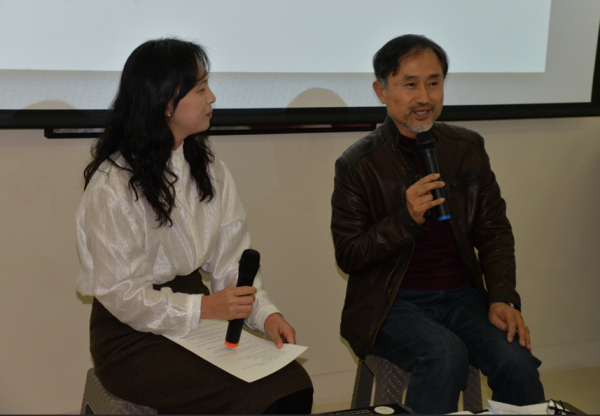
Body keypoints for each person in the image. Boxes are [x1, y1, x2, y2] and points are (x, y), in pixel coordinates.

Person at [75, 38, 313, 414]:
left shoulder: (208, 168)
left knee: (293, 385)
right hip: (130, 338)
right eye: (201, 89)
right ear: (166, 104)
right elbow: (122, 295)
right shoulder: (113, 186)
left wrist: (266, 314)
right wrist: (202, 307)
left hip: (197, 317)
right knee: (257, 396)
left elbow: (232, 263)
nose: (212, 97)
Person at [330, 34, 545, 414]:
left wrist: (502, 296)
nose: (424, 98)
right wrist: (405, 219)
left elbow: (494, 231)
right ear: (381, 91)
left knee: (517, 362)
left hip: (462, 296)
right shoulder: (358, 164)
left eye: (433, 83)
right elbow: (349, 254)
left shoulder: (466, 148)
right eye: (410, 85)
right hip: (391, 303)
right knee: (445, 355)